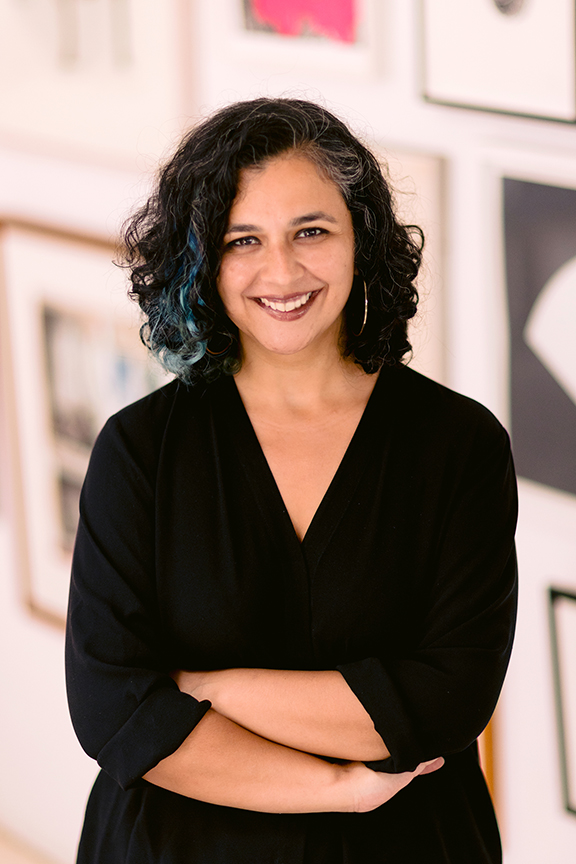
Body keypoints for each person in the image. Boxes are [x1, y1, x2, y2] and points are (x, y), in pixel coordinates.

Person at [65, 97, 518, 863]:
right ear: (201, 260)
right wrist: (337, 787)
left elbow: (448, 699)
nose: (282, 271)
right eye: (242, 240)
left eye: (311, 231)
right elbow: (112, 712)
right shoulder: (139, 450)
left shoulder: (459, 444)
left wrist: (208, 689)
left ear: (360, 237)